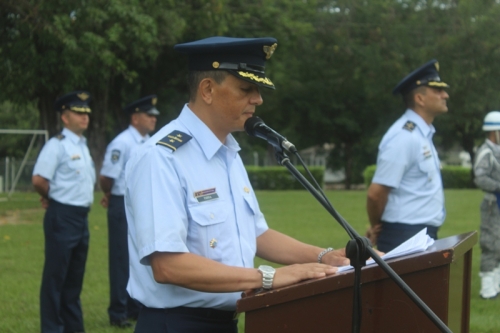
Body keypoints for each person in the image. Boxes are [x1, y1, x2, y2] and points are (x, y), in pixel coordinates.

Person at [124, 36, 350, 333]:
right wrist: (267, 277)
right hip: (177, 323)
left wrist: (323, 256)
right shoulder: (162, 157)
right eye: (247, 89)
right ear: (207, 89)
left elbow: (255, 234)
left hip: (226, 321)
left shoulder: (228, 152)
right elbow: (168, 265)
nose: (258, 99)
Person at [366, 59, 449, 253]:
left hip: (418, 232)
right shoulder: (404, 137)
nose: (445, 95)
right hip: (404, 235)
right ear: (420, 99)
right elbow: (375, 193)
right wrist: (376, 225)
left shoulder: (421, 133)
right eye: (437, 90)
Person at [32, 91, 96, 333]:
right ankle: (52, 329)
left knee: (73, 280)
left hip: (81, 218)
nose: (84, 117)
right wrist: (52, 198)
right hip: (62, 216)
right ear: (65, 117)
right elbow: (39, 179)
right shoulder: (56, 145)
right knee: (55, 280)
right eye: (78, 113)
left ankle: (73, 328)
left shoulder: (82, 145)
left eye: (86, 112)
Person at [99, 95, 159, 327]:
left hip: (142, 205)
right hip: (121, 203)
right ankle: (118, 311)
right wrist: (108, 193)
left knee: (140, 256)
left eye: (155, 115)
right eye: (149, 115)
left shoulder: (150, 140)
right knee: (121, 258)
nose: (154, 119)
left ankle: (135, 306)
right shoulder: (122, 142)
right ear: (135, 118)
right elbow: (106, 177)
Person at [473, 111, 500, 299]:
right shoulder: (486, 152)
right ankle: (487, 289)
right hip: (492, 203)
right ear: (494, 132)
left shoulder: (496, 150)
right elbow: (480, 178)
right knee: (491, 243)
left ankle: (496, 286)